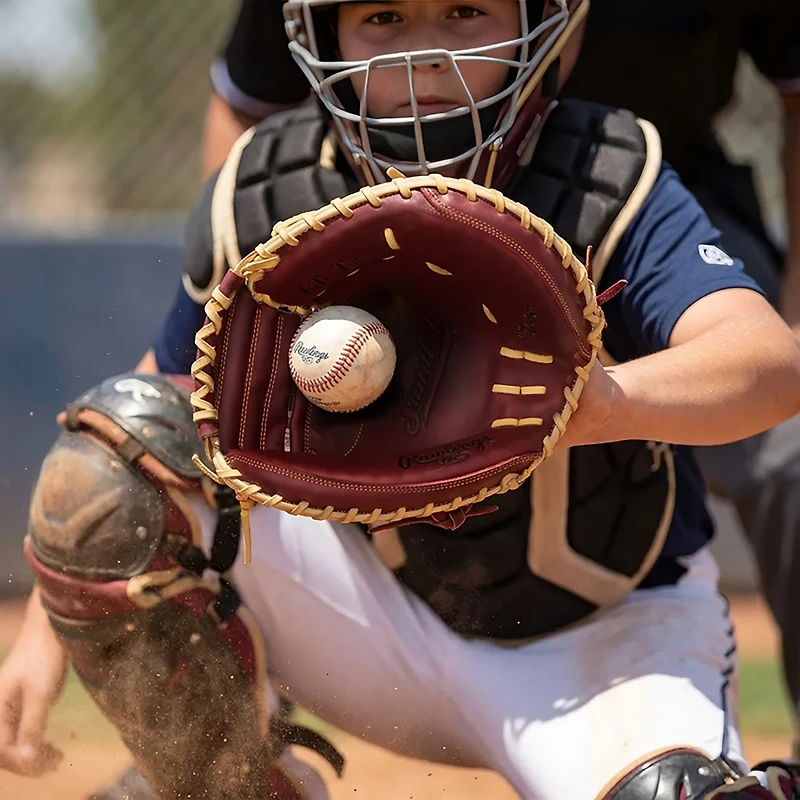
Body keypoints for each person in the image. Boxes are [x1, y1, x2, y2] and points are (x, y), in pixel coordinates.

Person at [8, 1, 800, 797]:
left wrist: (602, 401)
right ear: (319, 37)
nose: (424, 56)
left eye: (466, 12)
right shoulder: (268, 187)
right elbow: (151, 419)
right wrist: (45, 633)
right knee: (112, 468)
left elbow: (769, 364)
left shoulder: (604, 167)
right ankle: (231, 779)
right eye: (382, 17)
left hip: (599, 641)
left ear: (547, 22)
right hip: (362, 619)